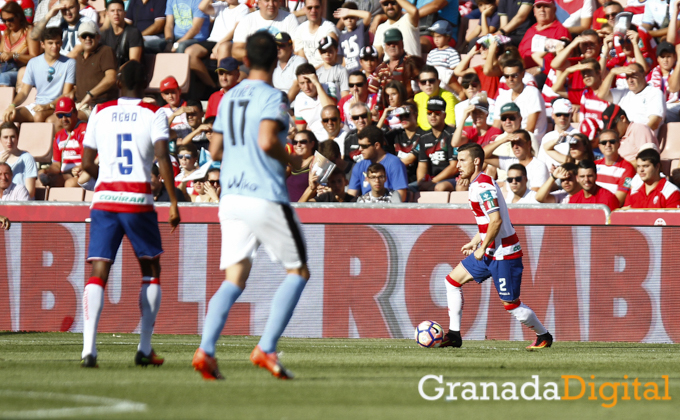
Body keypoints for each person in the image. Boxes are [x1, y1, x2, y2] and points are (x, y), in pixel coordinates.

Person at [192, 31, 309, 381]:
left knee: (234, 279)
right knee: (298, 271)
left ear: (245, 62)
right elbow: (267, 139)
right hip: (264, 195)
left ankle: (207, 350)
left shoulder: (228, 97)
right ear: (275, 60)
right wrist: (290, 160)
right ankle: (267, 347)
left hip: (230, 197)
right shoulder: (273, 96)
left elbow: (213, 152)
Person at [79, 60, 180, 368]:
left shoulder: (101, 111)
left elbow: (85, 165)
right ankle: (144, 348)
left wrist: (106, 176)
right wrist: (173, 202)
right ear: (147, 81)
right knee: (150, 269)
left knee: (99, 270)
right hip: (137, 198)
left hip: (105, 198)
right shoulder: (155, 113)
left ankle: (89, 350)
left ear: (118, 82)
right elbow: (162, 157)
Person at [441, 142, 553, 350]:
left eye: (462, 160)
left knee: (511, 305)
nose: (458, 165)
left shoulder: (483, 186)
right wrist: (475, 242)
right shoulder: (476, 184)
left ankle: (543, 335)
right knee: (452, 281)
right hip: (489, 251)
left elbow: (496, 221)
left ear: (476, 161)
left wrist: (482, 248)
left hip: (504, 254)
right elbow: (487, 223)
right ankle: (454, 335)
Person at [3, 26, 75, 123]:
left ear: (61, 43)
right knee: (9, 116)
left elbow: (66, 94)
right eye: (50, 43)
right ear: (42, 44)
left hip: (57, 105)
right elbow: (24, 92)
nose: (54, 46)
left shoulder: (69, 63)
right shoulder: (33, 63)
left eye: (57, 43)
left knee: (38, 117)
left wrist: (47, 106)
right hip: (37, 105)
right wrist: (12, 105)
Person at [186, 0, 249, 88]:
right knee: (190, 52)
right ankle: (212, 86)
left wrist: (219, 44)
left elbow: (235, 30)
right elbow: (201, 7)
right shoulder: (220, 6)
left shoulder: (243, 8)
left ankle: (223, 86)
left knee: (223, 48)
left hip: (229, 41)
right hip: (212, 40)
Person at [598, 63, 665, 134]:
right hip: (624, 139)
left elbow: (654, 122)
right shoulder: (624, 92)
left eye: (633, 76)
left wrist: (635, 137)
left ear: (643, 75)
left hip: (643, 139)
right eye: (627, 77)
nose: (630, 80)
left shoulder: (654, 92)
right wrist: (612, 73)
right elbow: (602, 94)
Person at [348, 125, 408, 201]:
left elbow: (400, 196)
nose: (360, 149)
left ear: (376, 145)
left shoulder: (394, 163)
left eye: (364, 146)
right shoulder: (359, 166)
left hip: (388, 208)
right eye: (359, 145)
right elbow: (351, 195)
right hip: (366, 208)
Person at [493, 59, 547, 141]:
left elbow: (530, 128)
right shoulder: (502, 97)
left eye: (514, 75)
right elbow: (496, 127)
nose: (510, 79)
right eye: (507, 76)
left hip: (530, 141)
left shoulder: (532, 93)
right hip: (508, 140)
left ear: (522, 74)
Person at [38, 96, 86, 188]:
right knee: (40, 181)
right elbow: (57, 164)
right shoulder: (59, 135)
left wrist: (79, 168)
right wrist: (48, 172)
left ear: (75, 113)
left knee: (69, 184)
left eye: (67, 114)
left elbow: (87, 161)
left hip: (82, 173)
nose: (64, 119)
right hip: (65, 174)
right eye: (60, 116)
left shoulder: (84, 129)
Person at [484, 125, 550, 191]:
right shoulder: (510, 161)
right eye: (512, 144)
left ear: (529, 144)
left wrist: (506, 185)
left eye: (519, 143)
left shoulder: (539, 166)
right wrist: (503, 140)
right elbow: (483, 155)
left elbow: (535, 193)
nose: (515, 147)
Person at [73, 20, 117, 118]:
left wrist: (90, 95)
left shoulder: (105, 51)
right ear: (79, 38)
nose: (88, 38)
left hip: (98, 105)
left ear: (98, 37)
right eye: (84, 36)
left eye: (91, 35)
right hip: (80, 105)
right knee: (52, 119)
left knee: (70, 118)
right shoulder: (79, 57)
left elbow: (111, 78)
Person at [231, 0, 299, 61]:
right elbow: (236, 51)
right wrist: (260, 54)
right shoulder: (247, 20)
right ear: (258, 3)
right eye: (267, 0)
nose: (271, 4)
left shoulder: (289, 18)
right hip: (254, 65)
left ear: (279, 2)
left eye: (274, 0)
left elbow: (296, 49)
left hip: (282, 64)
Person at [414, 96, 457, 192]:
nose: (433, 116)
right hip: (432, 179)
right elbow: (422, 164)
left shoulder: (453, 134)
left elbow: (454, 167)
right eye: (429, 113)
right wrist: (421, 182)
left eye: (437, 113)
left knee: (439, 188)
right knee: (410, 189)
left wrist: (432, 182)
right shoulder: (423, 137)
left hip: (451, 179)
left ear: (444, 115)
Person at [518, 0, 571, 72]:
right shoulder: (530, 30)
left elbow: (563, 62)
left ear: (554, 10)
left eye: (546, 6)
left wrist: (540, 69)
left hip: (545, 74)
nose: (542, 10)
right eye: (539, 7)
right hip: (522, 73)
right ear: (534, 11)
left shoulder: (561, 31)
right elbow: (519, 54)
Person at [0, 2, 39, 88]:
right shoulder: (6, 33)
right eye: (4, 20)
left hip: (22, 70)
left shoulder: (29, 32)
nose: (7, 23)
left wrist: (14, 55)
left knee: (3, 77)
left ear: (19, 16)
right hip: (5, 69)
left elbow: (35, 58)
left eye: (10, 20)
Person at [293, 63, 336, 141]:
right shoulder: (299, 99)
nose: (306, 87)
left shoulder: (329, 86)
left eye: (309, 81)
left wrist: (317, 84)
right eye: (302, 83)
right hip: (316, 141)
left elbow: (330, 109)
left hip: (335, 136)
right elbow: (301, 128)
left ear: (316, 78)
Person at [595, 129, 635, 206]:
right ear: (599, 146)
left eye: (612, 141)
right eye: (604, 142)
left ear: (619, 144)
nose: (608, 145)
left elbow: (617, 201)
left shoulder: (628, 168)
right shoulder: (594, 165)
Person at [293, 0, 338, 68]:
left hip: (326, 71)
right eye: (309, 8)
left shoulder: (329, 29)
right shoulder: (300, 30)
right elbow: (300, 56)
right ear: (304, 9)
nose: (313, 10)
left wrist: (313, 71)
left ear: (321, 8)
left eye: (317, 7)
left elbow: (332, 58)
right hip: (306, 71)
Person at [384, 103, 422, 184]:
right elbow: (373, 138)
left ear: (416, 115)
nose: (403, 119)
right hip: (397, 177)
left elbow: (409, 160)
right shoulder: (396, 134)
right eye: (400, 116)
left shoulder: (423, 134)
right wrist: (384, 116)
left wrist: (386, 168)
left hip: (414, 180)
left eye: (407, 115)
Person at [100, 0, 143, 67]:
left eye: (119, 10)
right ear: (107, 14)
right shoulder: (105, 35)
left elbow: (134, 62)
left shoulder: (133, 33)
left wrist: (117, 72)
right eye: (112, 11)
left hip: (129, 73)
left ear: (125, 13)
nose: (116, 13)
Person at [413, 65, 457, 131]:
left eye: (431, 81)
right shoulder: (417, 98)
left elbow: (450, 125)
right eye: (423, 82)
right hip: (421, 135)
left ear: (438, 82)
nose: (428, 84)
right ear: (419, 85)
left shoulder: (448, 97)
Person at [0, 121, 36, 198]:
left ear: (17, 138)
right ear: (0, 139)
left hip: (21, 203)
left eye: (12, 137)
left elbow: (30, 192)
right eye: (5, 137)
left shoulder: (27, 158)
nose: (9, 141)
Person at [334, 3, 371, 73]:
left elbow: (368, 15)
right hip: (348, 72)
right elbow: (343, 60)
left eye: (352, 17)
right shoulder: (341, 36)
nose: (349, 20)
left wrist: (349, 12)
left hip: (362, 70)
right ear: (342, 19)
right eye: (346, 18)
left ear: (357, 17)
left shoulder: (361, 29)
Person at [367, 27, 406, 94]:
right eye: (389, 43)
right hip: (384, 103)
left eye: (395, 43)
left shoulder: (411, 62)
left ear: (402, 44)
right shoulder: (381, 67)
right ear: (384, 46)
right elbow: (371, 92)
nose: (392, 46)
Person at [425, 20, 460, 91]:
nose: (436, 39)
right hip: (433, 82)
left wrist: (441, 69)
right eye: (434, 37)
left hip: (446, 84)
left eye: (439, 36)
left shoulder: (452, 52)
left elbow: (455, 70)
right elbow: (428, 69)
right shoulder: (432, 53)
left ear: (447, 37)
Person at [273, 32, 306, 104]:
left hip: (294, 105)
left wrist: (284, 105)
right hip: (276, 104)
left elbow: (297, 85)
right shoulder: (272, 63)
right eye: (275, 45)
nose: (277, 48)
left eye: (281, 45)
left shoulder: (300, 61)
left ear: (291, 47)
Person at [286, 129, 316, 202]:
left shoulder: (316, 162)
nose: (298, 145)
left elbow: (312, 189)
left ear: (312, 144)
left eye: (303, 142)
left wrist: (298, 207)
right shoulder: (292, 163)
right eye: (295, 142)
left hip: (302, 210)